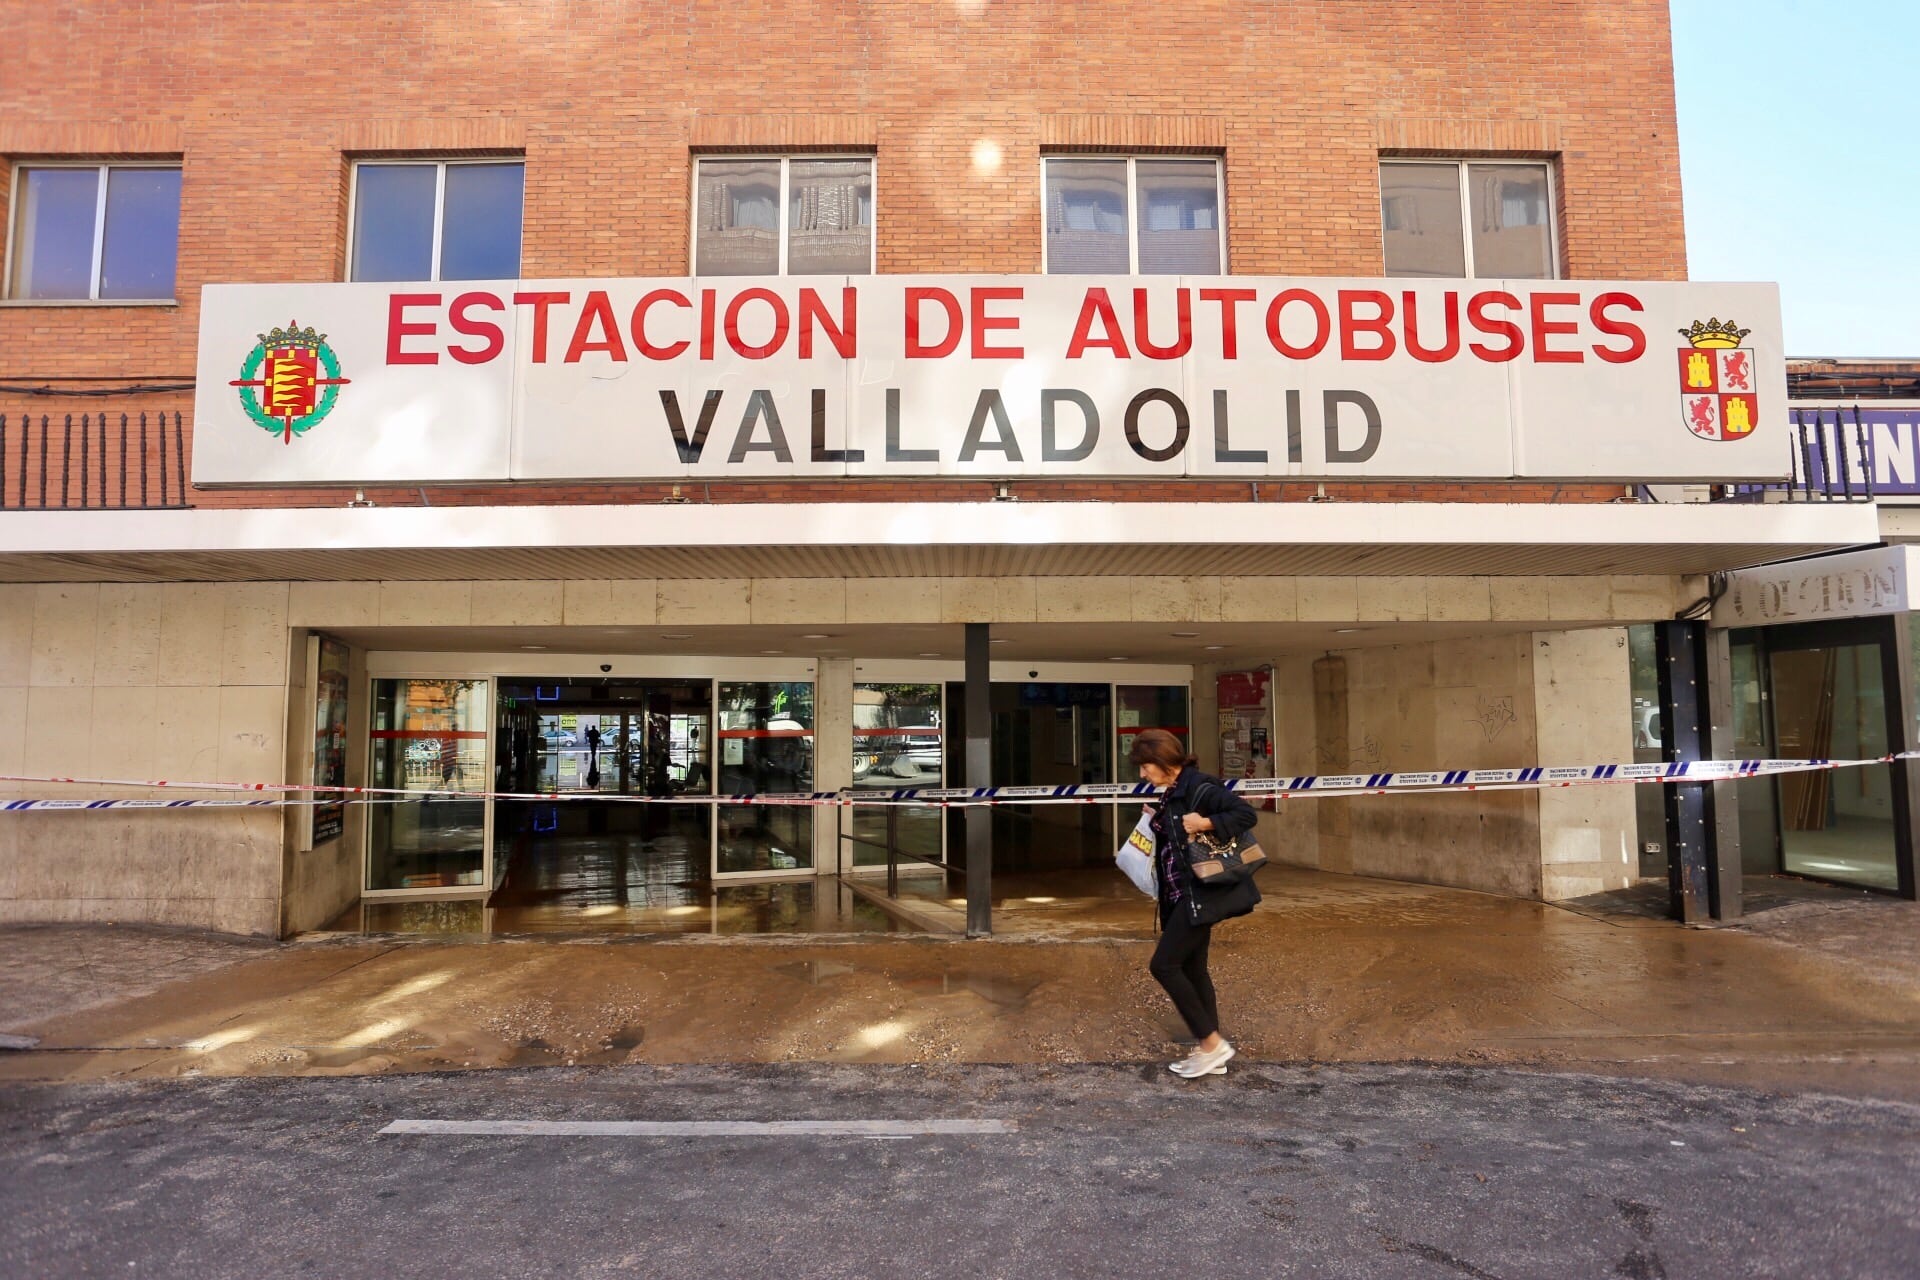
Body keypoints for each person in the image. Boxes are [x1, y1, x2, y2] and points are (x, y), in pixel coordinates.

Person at [1128, 727, 1262, 1079]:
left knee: (1165, 966)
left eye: (1145, 767)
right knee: (1193, 969)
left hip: (1198, 897)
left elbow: (1245, 815)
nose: (1142, 774)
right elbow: (1174, 836)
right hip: (1177, 896)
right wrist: (1156, 816)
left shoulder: (1200, 786)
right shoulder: (1172, 792)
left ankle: (1211, 1043)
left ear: (1161, 761)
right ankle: (1213, 1051)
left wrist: (1206, 821)